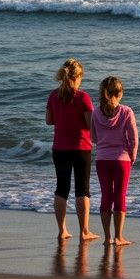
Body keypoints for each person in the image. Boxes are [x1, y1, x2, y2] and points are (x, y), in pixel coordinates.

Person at [46, 58, 98, 241]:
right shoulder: (82, 97)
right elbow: (90, 124)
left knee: (61, 188)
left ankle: (62, 230)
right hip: (80, 147)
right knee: (82, 189)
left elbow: (49, 120)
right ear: (78, 77)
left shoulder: (53, 95)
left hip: (59, 147)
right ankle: (84, 231)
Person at [92, 75, 138, 245]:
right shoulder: (126, 111)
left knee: (106, 195)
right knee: (120, 196)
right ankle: (118, 237)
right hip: (121, 159)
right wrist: (132, 156)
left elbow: (94, 137)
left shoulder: (96, 112)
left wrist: (105, 141)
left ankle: (107, 238)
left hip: (102, 159)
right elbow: (134, 138)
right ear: (119, 93)